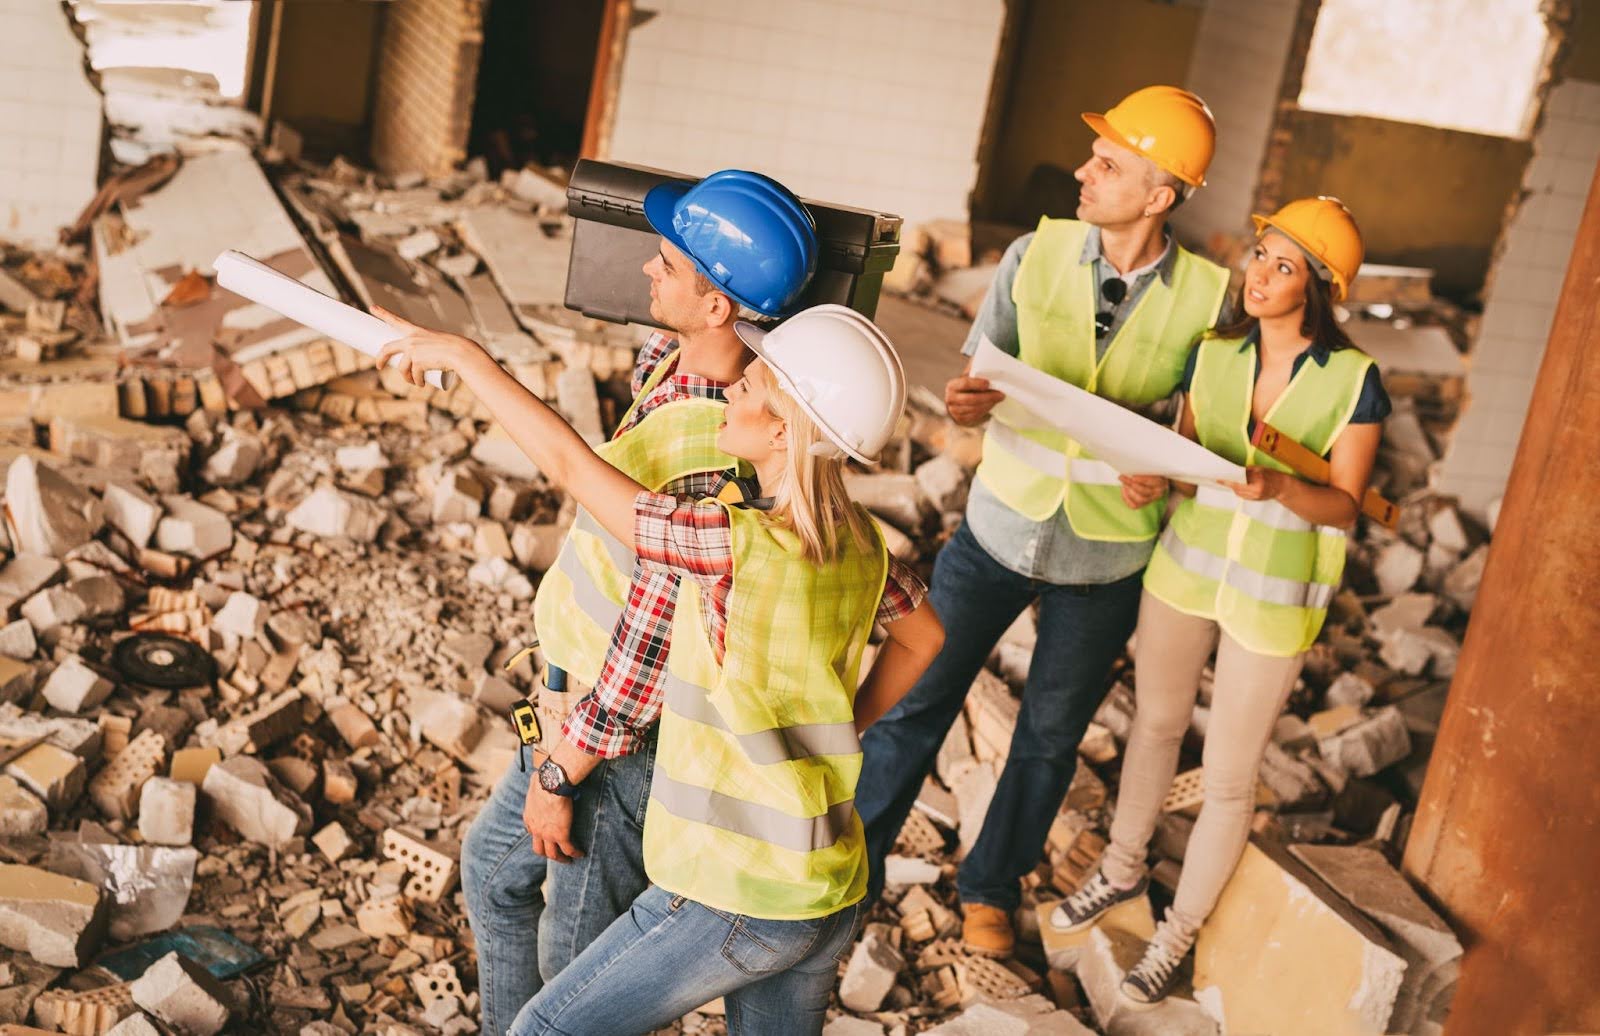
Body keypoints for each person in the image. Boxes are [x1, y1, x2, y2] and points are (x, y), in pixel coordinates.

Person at [376, 303, 944, 1036]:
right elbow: (925, 639)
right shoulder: (861, 543)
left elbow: (570, 467)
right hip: (826, 887)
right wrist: (843, 726)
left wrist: (470, 359)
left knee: (542, 1030)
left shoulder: (729, 541)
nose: (734, 389)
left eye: (754, 385)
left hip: (734, 892)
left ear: (782, 430)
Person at [853, 85, 1232, 957]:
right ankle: (854, 868)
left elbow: (1199, 431)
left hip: (1106, 553)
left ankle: (990, 889)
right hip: (997, 526)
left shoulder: (1210, 301)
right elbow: (977, 389)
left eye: (1108, 164)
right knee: (915, 699)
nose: (1083, 172)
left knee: (1049, 740)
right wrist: (965, 405)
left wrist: (1166, 478)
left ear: (1160, 195)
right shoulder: (1033, 254)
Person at [449, 169, 819, 1036]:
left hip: (611, 739)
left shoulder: (717, 441)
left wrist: (561, 770)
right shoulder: (667, 363)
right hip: (568, 695)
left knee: (570, 972)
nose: (649, 273)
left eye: (668, 264)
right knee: (493, 876)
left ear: (720, 305)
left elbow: (649, 641)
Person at [1047, 197, 1390, 1004]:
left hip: (1273, 598)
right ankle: (1120, 872)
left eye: (1282, 265)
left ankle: (1174, 938)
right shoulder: (1216, 352)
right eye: (1259, 256)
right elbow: (1192, 458)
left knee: (1231, 778)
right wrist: (1154, 478)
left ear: (1319, 289)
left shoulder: (1353, 381)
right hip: (1186, 569)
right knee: (1155, 728)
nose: (1258, 275)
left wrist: (1282, 488)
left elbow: (1347, 504)